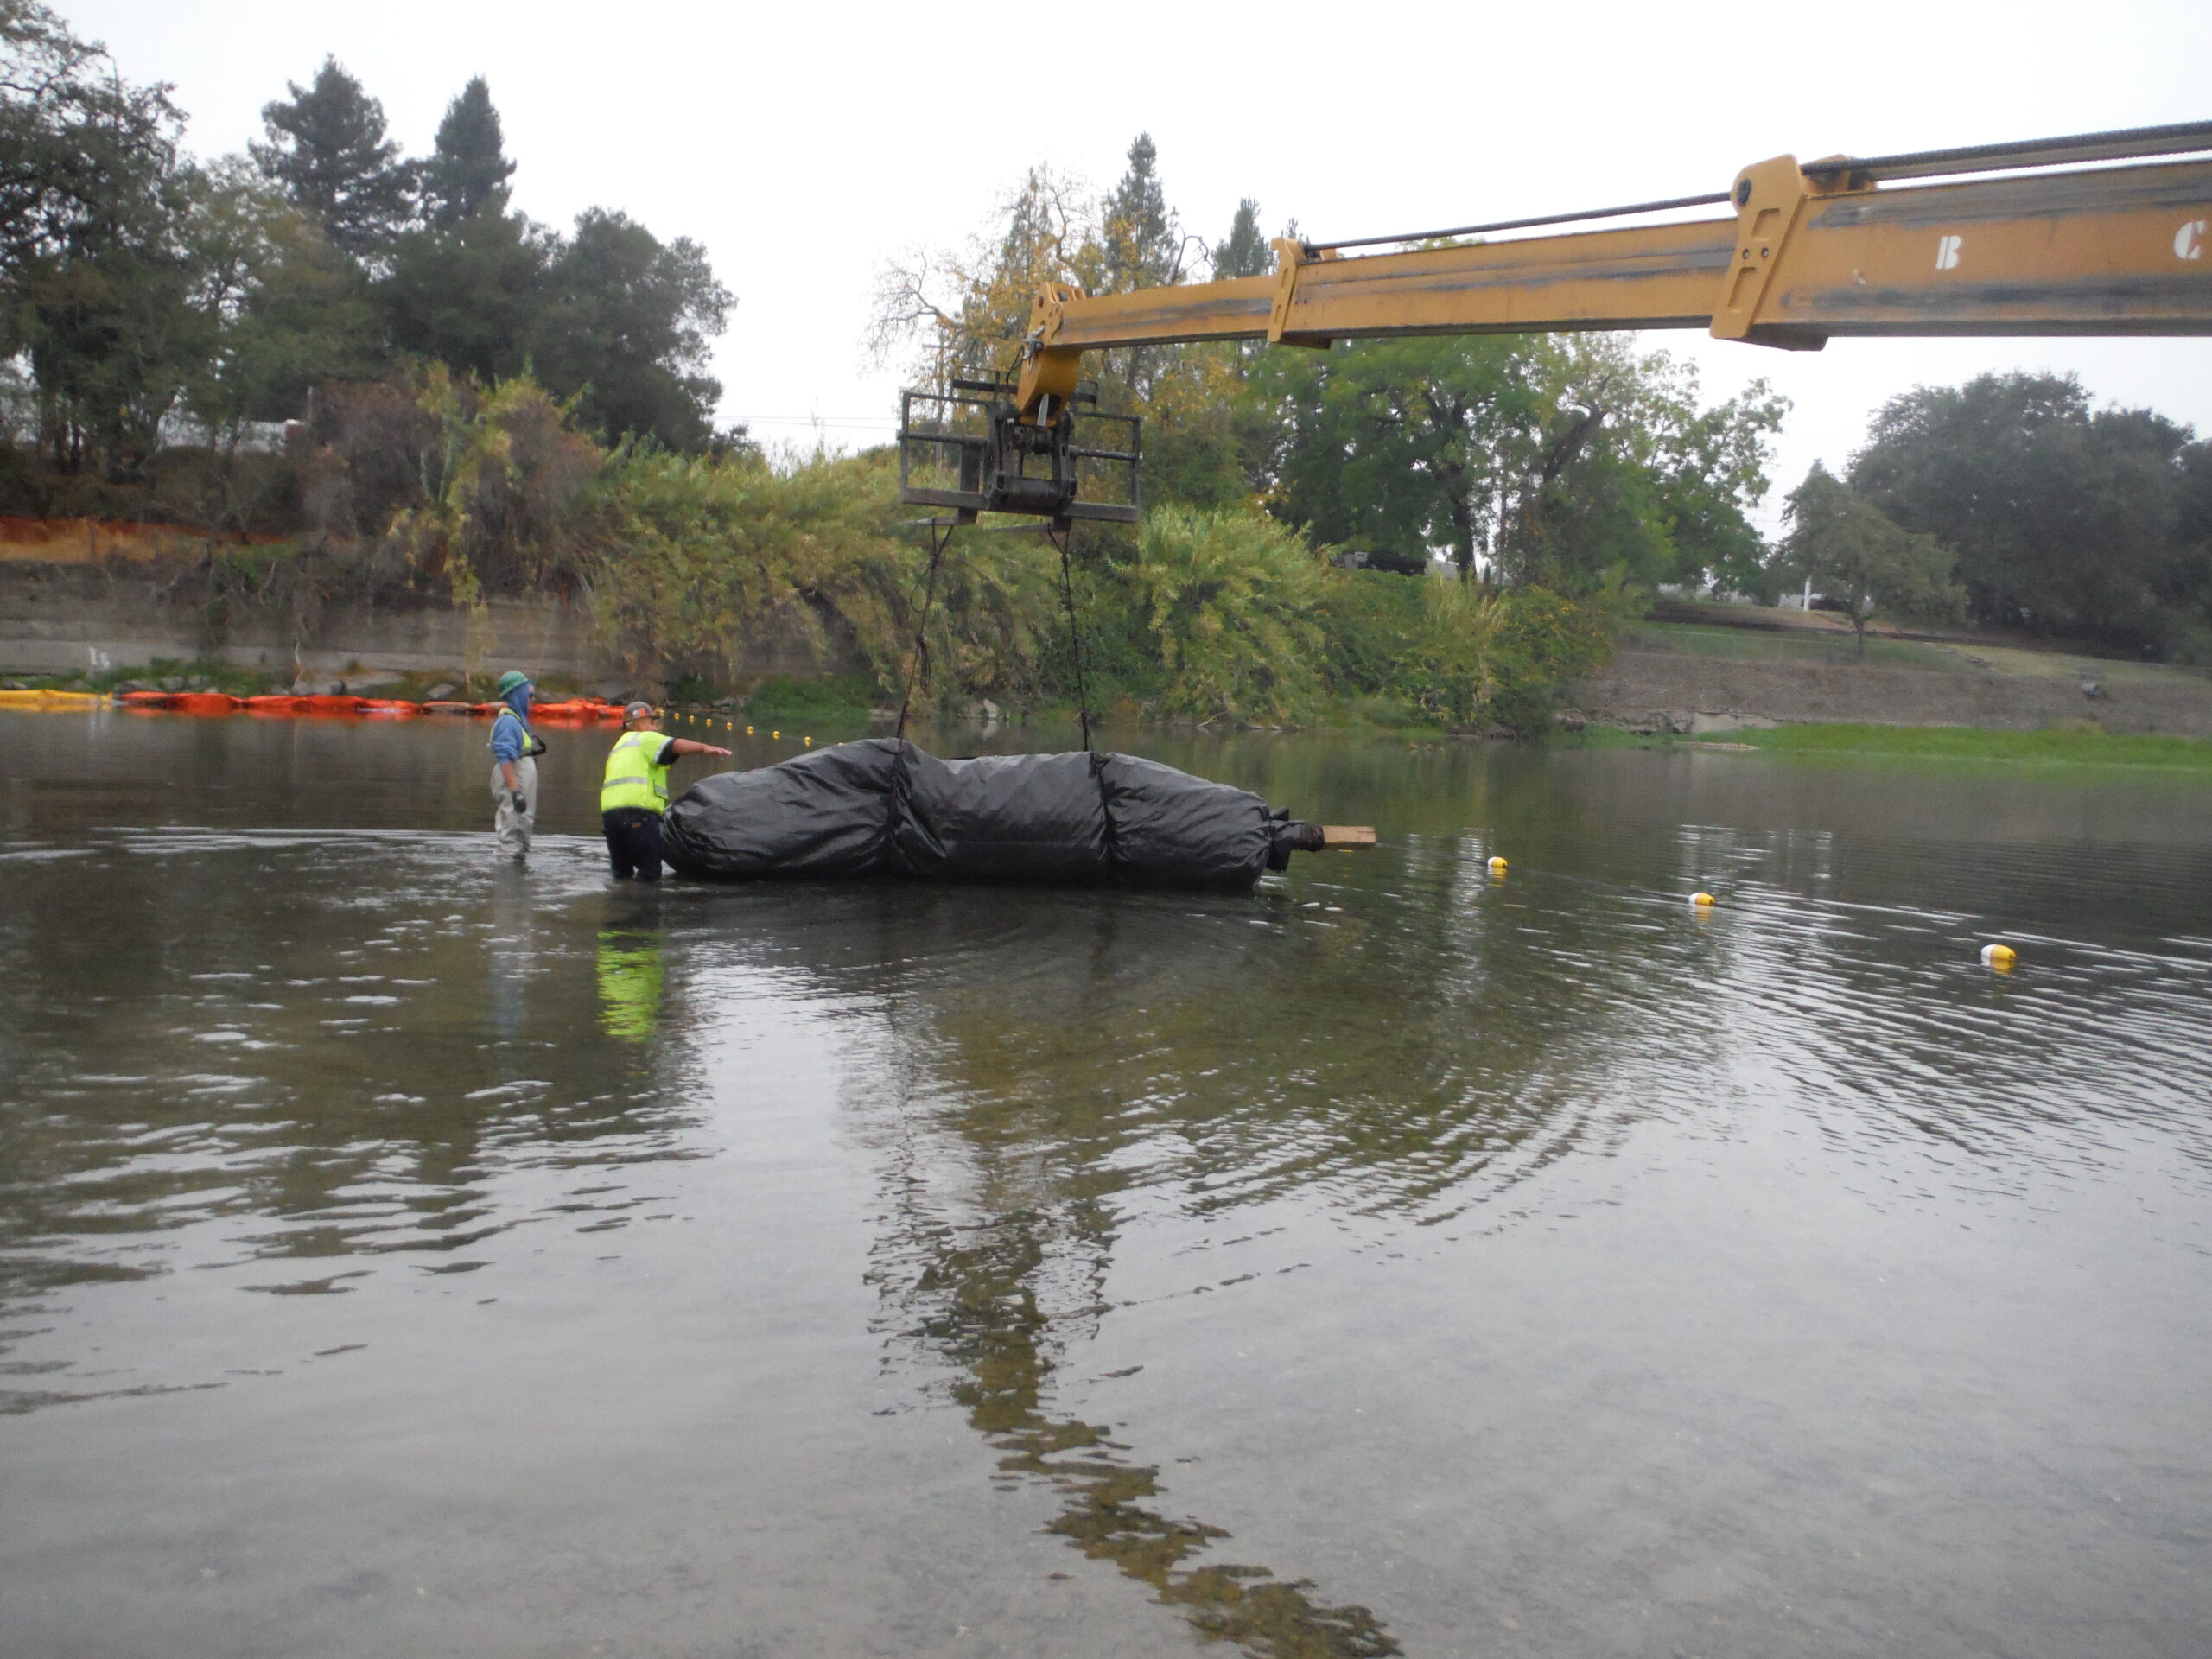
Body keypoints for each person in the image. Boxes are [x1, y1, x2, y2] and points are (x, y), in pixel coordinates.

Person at [599, 702, 731, 880]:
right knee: (650, 872)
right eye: (651, 722)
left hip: (610, 818)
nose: (655, 727)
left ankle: (620, 903)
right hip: (638, 814)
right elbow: (675, 745)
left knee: (621, 873)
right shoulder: (643, 738)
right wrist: (704, 748)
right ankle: (646, 905)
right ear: (638, 723)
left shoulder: (618, 748)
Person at [488, 669, 543, 861]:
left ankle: (518, 868)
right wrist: (515, 791)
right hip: (514, 777)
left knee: (522, 826)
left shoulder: (518, 721)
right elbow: (504, 756)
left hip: (519, 776)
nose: (533, 699)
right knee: (512, 828)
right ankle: (507, 874)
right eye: (529, 695)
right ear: (517, 694)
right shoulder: (508, 722)